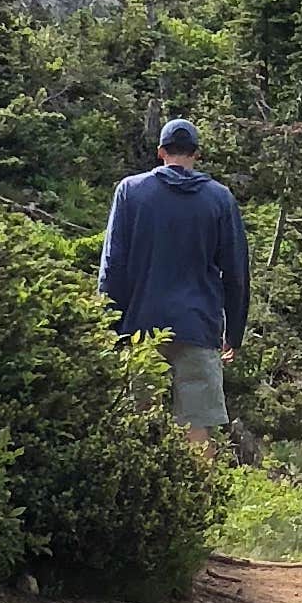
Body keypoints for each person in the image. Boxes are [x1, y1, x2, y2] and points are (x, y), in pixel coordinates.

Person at [97, 117, 250, 439]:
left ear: (160, 152)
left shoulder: (130, 191)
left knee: (139, 420)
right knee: (198, 425)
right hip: (198, 325)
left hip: (141, 326)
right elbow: (236, 273)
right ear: (196, 153)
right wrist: (233, 332)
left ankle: (144, 488)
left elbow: (112, 265)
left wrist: (108, 324)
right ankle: (201, 488)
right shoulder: (220, 198)